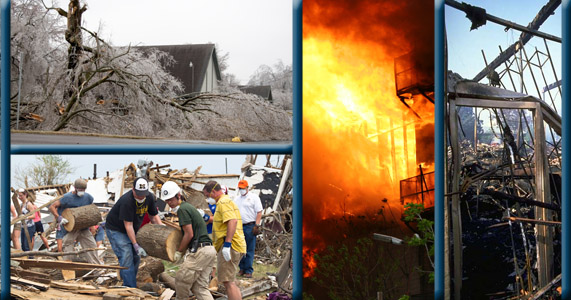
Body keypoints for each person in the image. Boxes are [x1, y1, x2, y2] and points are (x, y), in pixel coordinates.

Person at [161, 181, 216, 300]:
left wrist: (179, 252)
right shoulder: (188, 207)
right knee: (199, 288)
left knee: (181, 280)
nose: (169, 203)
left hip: (201, 250)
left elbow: (189, 234)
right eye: (167, 201)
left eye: (171, 199)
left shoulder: (183, 210)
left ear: (178, 195)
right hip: (209, 250)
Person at [105, 177, 163, 287]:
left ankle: (128, 281)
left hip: (132, 229)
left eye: (143, 194)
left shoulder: (149, 197)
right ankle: (130, 288)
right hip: (116, 229)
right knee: (126, 256)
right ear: (133, 190)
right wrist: (135, 244)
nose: (141, 197)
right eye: (139, 194)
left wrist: (163, 230)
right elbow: (128, 225)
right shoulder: (127, 201)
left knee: (136, 257)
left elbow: (154, 217)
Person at [202, 180, 246, 300]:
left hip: (231, 246)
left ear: (214, 191)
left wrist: (227, 244)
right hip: (232, 245)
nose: (207, 199)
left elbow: (232, 221)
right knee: (230, 281)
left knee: (228, 282)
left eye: (207, 195)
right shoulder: (223, 202)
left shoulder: (223, 202)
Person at [49, 179, 102, 264]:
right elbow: (52, 207)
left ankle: (96, 269)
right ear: (75, 188)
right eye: (80, 190)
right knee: (67, 247)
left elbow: (89, 211)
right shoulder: (67, 197)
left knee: (91, 246)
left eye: (83, 190)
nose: (82, 192)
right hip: (70, 228)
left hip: (83, 228)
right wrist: (59, 218)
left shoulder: (88, 198)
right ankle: (68, 268)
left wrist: (92, 226)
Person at [233, 180, 263, 278]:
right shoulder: (236, 199)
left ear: (247, 187)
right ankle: (241, 268)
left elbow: (259, 212)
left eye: (243, 188)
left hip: (250, 225)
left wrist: (257, 225)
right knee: (240, 248)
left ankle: (248, 270)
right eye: (240, 188)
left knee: (249, 248)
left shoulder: (254, 198)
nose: (241, 190)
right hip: (239, 225)